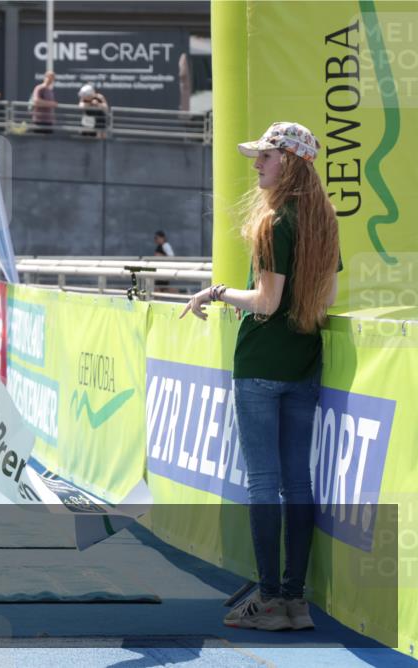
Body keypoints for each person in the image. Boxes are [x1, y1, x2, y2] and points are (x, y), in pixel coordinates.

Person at [181, 121, 340, 632]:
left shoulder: (274, 224)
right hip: (304, 362)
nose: (257, 165)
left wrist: (218, 292)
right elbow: (327, 301)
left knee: (264, 482)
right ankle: (294, 601)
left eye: (265, 158)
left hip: (260, 365)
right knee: (298, 481)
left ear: (288, 163)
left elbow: (266, 302)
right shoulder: (323, 222)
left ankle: (269, 599)